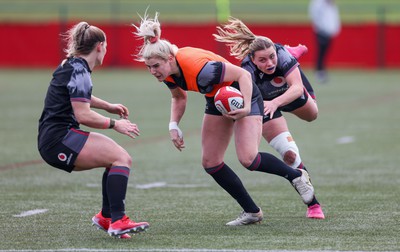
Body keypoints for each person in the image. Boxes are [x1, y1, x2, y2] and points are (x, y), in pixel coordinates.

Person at [133, 11, 316, 226]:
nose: (153, 71)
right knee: (210, 162)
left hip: (244, 93)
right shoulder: (167, 71)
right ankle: (252, 212)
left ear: (170, 59)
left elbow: (243, 75)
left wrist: (247, 106)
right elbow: (178, 97)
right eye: (149, 67)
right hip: (217, 100)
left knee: (248, 159)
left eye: (156, 66)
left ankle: (295, 175)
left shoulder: (201, 69)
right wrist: (174, 125)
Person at [37, 21, 149, 238]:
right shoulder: (79, 70)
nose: (106, 50)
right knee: (121, 158)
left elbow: (78, 95)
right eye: (105, 46)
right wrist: (116, 124)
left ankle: (107, 217)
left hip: (56, 136)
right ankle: (117, 220)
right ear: (99, 46)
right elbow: (83, 115)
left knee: (116, 157)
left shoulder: (74, 65)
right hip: (59, 140)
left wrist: (108, 105)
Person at [214, 17, 325, 219]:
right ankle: (313, 205)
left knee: (312, 115)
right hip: (264, 102)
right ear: (253, 60)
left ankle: (293, 52)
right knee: (290, 154)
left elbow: (297, 88)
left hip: (290, 93)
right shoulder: (246, 70)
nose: (270, 63)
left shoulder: (281, 56)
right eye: (263, 60)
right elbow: (245, 103)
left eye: (271, 57)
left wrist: (275, 103)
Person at [309, 0, 341, 83]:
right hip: (321, 31)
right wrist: (320, 28)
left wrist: (334, 29)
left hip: (329, 32)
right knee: (321, 52)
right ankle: (319, 71)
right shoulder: (318, 3)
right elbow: (315, 16)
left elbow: (333, 17)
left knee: (325, 52)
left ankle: (322, 71)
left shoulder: (330, 4)